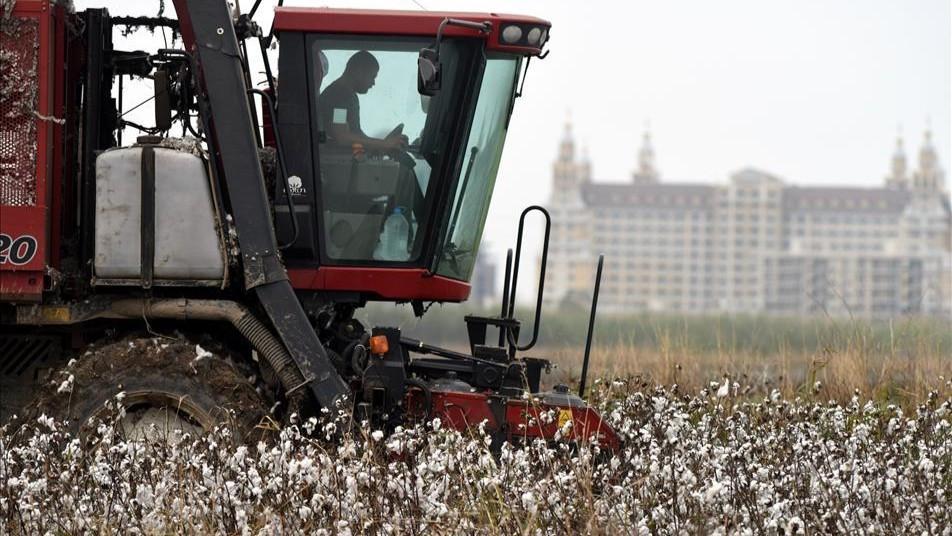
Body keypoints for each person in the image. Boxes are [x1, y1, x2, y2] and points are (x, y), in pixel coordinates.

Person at [319, 50, 408, 152]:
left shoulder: (347, 95)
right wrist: (384, 144)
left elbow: (356, 135)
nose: (373, 83)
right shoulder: (338, 96)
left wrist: (382, 145)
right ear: (359, 71)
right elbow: (342, 137)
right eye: (372, 76)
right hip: (337, 164)